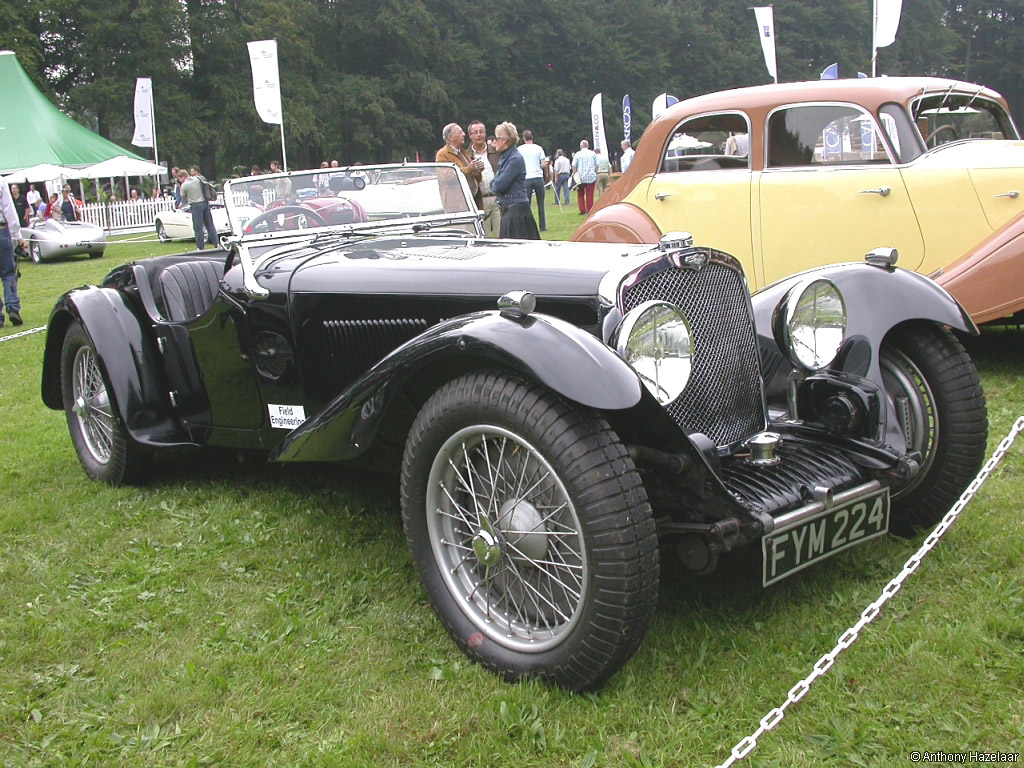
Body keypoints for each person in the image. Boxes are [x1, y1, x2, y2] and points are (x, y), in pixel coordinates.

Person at [491, 122, 540, 240]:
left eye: (496, 138)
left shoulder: (515, 159)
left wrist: (494, 182)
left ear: (503, 141)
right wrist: (494, 182)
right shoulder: (505, 158)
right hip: (509, 210)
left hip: (516, 212)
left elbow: (498, 185)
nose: (494, 142)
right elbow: (496, 183)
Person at [436, 123, 482, 207]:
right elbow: (447, 177)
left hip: (473, 201)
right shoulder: (442, 154)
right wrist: (469, 168)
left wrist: (477, 171)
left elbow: (475, 179)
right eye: (460, 132)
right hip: (457, 206)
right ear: (450, 137)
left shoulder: (464, 153)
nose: (464, 134)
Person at [468, 119, 500, 237]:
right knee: (484, 237)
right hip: (481, 201)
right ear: (470, 136)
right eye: (475, 132)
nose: (479, 135)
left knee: (502, 236)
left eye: (481, 131)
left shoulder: (496, 151)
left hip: (498, 198)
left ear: (485, 133)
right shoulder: (467, 156)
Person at [0, 181, 26, 327]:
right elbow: (8, 209)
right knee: (9, 273)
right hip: (1, 231)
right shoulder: (1, 182)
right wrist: (18, 236)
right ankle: (12, 307)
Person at [177, 168, 217, 249]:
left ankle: (200, 246)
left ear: (183, 177)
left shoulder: (184, 185)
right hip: (205, 203)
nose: (179, 181)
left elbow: (183, 196)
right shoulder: (197, 179)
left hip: (195, 205)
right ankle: (216, 243)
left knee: (198, 227)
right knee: (209, 224)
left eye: (179, 179)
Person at [518, 130, 548, 231]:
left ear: (523, 138)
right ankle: (543, 226)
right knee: (541, 202)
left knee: (527, 203)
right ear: (532, 137)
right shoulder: (538, 148)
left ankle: (527, 226)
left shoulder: (520, 149)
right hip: (538, 177)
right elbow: (543, 164)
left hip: (526, 178)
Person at [571, 139, 598, 214]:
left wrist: (575, 174)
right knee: (590, 195)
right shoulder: (593, 154)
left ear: (581, 146)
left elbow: (574, 166)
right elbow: (597, 165)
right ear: (588, 145)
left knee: (580, 194)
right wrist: (595, 172)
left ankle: (582, 209)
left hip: (581, 178)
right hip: (591, 177)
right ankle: (590, 209)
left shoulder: (577, 154)